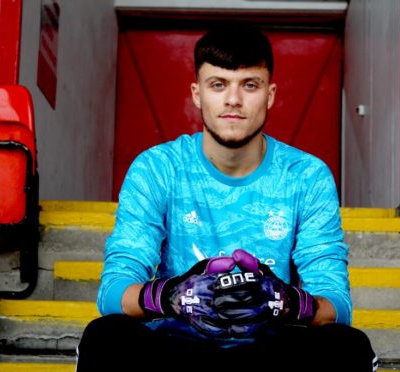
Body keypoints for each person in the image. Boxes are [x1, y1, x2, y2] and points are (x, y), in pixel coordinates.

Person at [77, 23, 377, 371]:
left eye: (250, 85)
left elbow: (338, 305)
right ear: (196, 93)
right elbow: (113, 292)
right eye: (218, 85)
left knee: (347, 347)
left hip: (270, 345)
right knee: (106, 338)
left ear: (271, 94)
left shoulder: (306, 176)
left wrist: (286, 302)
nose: (233, 99)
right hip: (177, 344)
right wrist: (173, 296)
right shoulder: (157, 168)